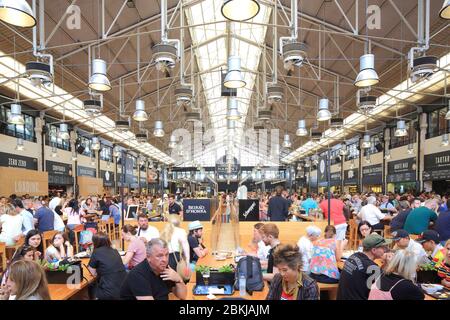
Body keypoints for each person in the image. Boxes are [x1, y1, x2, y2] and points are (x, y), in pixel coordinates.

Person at [120, 239, 187, 300]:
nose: (165, 259)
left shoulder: (165, 269)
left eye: (166, 255)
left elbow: (182, 296)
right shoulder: (138, 275)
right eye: (159, 256)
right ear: (148, 257)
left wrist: (179, 280)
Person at [337, 234, 392, 300]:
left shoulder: (353, 256)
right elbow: (385, 287)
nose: (385, 249)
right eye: (383, 247)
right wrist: (390, 263)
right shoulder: (372, 267)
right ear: (374, 250)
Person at [88, 232, 127, 300]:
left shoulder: (96, 252)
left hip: (109, 292)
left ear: (95, 242)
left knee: (90, 286)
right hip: (123, 289)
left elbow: (92, 273)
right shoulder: (115, 251)